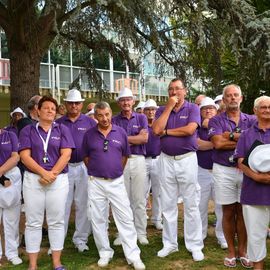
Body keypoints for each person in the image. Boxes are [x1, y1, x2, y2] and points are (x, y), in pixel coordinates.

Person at [82, 101, 146, 270]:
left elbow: (125, 156)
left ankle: (133, 255)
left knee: (125, 217)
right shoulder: (89, 135)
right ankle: (105, 252)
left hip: (117, 182)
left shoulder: (121, 132)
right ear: (95, 117)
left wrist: (114, 170)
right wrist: (98, 170)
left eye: (107, 114)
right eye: (100, 115)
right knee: (98, 218)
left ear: (111, 114)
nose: (104, 118)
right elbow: (86, 157)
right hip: (96, 182)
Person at [19, 96, 75, 270]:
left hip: (57, 180)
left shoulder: (62, 129)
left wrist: (52, 174)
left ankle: (56, 262)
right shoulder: (28, 130)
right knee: (33, 222)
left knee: (56, 221)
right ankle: (33, 265)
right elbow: (24, 156)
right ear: (38, 110)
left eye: (53, 108)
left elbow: (66, 154)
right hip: (34, 180)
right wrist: (43, 173)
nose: (50, 110)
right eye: (46, 108)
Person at [152, 78, 204, 261]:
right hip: (166, 160)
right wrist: (168, 107)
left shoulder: (193, 108)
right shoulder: (161, 109)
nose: (174, 92)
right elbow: (156, 129)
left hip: (187, 159)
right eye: (170, 89)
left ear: (185, 91)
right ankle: (170, 244)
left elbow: (189, 130)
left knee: (191, 203)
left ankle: (195, 245)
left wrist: (166, 132)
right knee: (167, 203)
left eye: (177, 89)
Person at [208, 84, 255, 268]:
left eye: (236, 95)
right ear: (224, 99)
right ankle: (231, 252)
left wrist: (233, 136)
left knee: (243, 212)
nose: (233, 98)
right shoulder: (216, 121)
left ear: (241, 98)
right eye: (229, 96)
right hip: (223, 170)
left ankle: (243, 251)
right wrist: (243, 139)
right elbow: (218, 144)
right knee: (228, 211)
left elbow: (256, 143)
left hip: (245, 170)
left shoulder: (252, 119)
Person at [56, 89, 96, 252]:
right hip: (64, 168)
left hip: (84, 166)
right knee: (62, 204)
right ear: (65, 104)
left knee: (82, 203)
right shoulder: (58, 123)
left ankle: (80, 239)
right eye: (71, 103)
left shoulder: (90, 122)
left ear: (82, 105)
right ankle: (58, 241)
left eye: (77, 103)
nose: (74, 106)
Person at [236, 95, 270, 269]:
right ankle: (258, 266)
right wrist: (256, 176)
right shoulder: (246, 135)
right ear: (255, 111)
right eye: (262, 107)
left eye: (269, 107)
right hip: (253, 191)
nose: (267, 110)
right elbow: (240, 160)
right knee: (255, 234)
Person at [112, 87, 149, 245]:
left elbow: (144, 139)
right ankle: (123, 233)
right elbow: (114, 140)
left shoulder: (141, 118)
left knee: (139, 198)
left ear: (133, 101)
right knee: (122, 199)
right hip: (120, 160)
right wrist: (135, 138)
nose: (126, 102)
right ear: (119, 103)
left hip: (138, 159)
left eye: (128, 99)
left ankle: (141, 232)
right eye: (123, 100)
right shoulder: (114, 120)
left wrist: (123, 138)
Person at [197, 97, 227, 249]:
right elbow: (198, 144)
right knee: (200, 205)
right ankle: (201, 235)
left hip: (219, 170)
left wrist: (219, 143)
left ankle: (222, 236)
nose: (208, 111)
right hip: (201, 170)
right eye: (204, 109)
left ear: (216, 111)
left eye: (211, 108)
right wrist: (217, 143)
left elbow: (227, 143)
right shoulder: (197, 127)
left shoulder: (222, 124)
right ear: (200, 112)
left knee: (221, 206)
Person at [0, 128, 22, 265]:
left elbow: (16, 157)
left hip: (11, 176)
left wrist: (0, 172)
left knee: (12, 219)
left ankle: (12, 253)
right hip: (3, 178)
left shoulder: (10, 135)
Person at [143, 99, 162, 230]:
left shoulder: (160, 124)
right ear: (144, 111)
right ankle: (141, 217)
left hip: (158, 159)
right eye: (148, 109)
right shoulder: (141, 124)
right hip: (143, 160)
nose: (151, 112)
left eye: (153, 109)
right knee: (141, 192)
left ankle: (157, 219)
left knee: (158, 192)